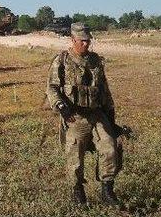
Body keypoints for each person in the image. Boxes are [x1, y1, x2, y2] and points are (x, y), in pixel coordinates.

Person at [46, 22, 121, 208]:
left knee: (110, 148)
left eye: (88, 41)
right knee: (75, 158)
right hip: (75, 116)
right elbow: (52, 88)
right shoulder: (62, 60)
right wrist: (62, 107)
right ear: (73, 40)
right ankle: (78, 192)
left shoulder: (96, 61)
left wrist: (111, 117)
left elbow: (104, 90)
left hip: (97, 115)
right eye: (82, 41)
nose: (86, 44)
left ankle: (107, 190)